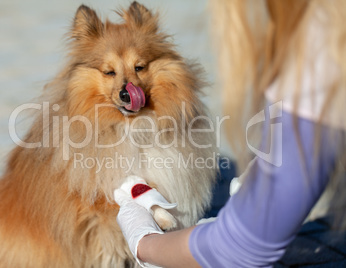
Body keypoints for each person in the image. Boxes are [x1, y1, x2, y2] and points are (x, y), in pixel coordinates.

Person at [114, 0, 346, 267]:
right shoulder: (322, 39)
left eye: (139, 67)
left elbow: (243, 246)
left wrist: (143, 242)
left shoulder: (318, 50)